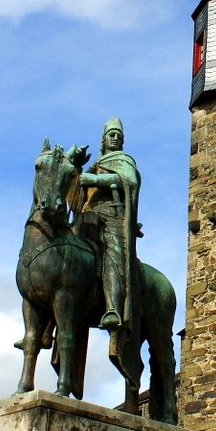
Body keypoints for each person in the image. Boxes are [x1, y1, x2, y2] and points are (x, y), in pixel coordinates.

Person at [78, 118, 139, 332]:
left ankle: (112, 308)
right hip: (88, 217)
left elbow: (130, 181)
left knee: (112, 254)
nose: (115, 138)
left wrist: (95, 180)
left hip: (111, 217)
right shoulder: (94, 165)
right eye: (111, 135)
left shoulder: (123, 160)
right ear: (103, 139)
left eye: (118, 136)